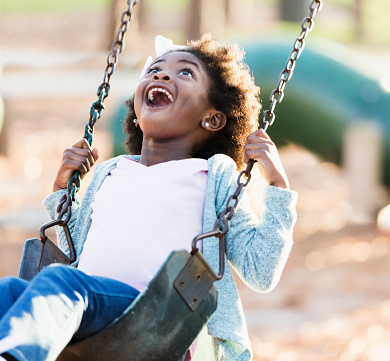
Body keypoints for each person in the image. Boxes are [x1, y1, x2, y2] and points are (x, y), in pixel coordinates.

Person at [0, 34, 297, 361]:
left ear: (212, 118)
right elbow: (75, 252)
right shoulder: (109, 171)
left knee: (62, 282)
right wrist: (62, 194)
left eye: (185, 73)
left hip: (157, 318)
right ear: (137, 111)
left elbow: (260, 271)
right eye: (153, 70)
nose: (161, 75)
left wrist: (277, 185)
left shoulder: (214, 176)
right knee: (9, 291)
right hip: (88, 309)